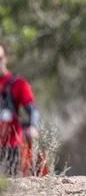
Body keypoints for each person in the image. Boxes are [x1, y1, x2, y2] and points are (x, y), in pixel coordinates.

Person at [0, 42, 40, 176]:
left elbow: (33, 110)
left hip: (11, 147)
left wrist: (33, 127)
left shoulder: (18, 84)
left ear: (5, 57)